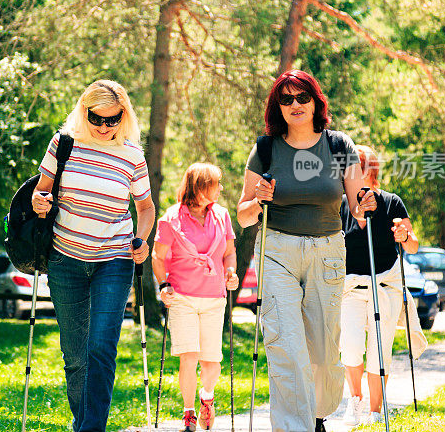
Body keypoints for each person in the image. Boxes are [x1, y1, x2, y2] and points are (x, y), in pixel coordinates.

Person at [236, 69, 375, 432]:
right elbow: (244, 214)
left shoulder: (339, 145)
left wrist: (367, 203)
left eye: (302, 97)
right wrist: (259, 199)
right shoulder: (266, 148)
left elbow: (357, 206)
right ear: (277, 107)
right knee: (287, 345)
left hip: (328, 250)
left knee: (326, 351)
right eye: (286, 99)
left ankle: (316, 415)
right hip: (277, 249)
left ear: (315, 101)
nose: (295, 105)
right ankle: (295, 426)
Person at [31, 79, 155, 432]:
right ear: (84, 112)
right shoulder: (64, 144)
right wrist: (40, 203)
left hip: (113, 260)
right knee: (75, 355)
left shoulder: (132, 154)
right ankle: (82, 422)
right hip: (65, 259)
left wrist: (141, 239)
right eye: (97, 119)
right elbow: (41, 193)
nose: (104, 127)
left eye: (112, 120)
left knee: (101, 347)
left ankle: (90, 428)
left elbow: (145, 208)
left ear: (123, 116)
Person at [339, 145, 427, 426]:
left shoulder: (392, 203)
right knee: (350, 347)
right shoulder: (342, 205)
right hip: (352, 288)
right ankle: (355, 402)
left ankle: (375, 411)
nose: (350, 173)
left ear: (370, 171)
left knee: (380, 350)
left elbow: (412, 245)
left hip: (385, 287)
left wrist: (404, 235)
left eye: (356, 167)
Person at [152, 162, 240, 432]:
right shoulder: (171, 219)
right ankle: (188, 413)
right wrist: (164, 284)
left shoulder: (222, 215)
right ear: (201, 186)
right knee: (188, 358)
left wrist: (231, 272)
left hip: (214, 297)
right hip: (182, 297)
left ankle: (207, 398)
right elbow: (158, 256)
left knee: (212, 363)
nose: (221, 188)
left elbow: (229, 253)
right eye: (217, 183)